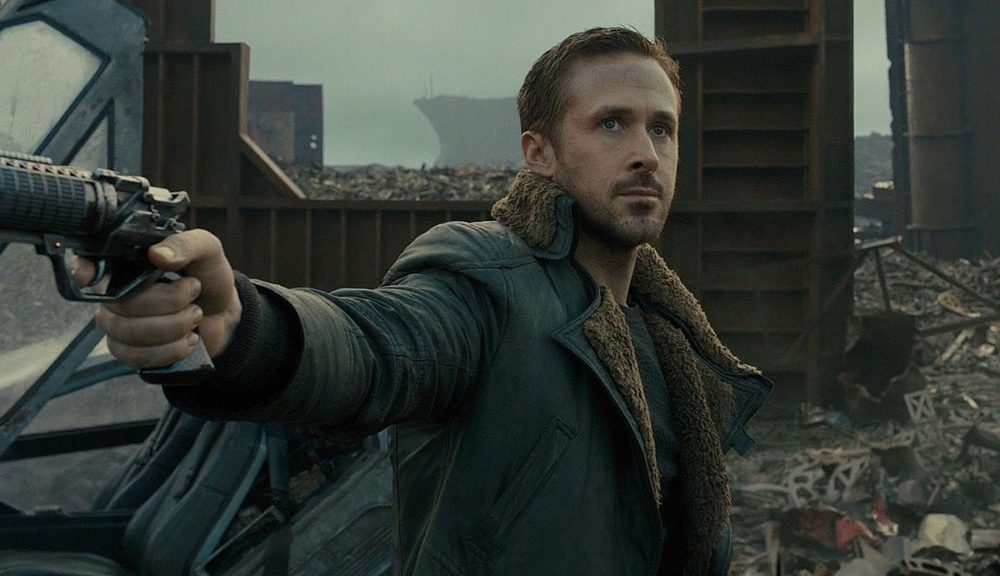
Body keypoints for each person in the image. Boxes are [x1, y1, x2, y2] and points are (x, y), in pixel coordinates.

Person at [79, 27, 771, 576]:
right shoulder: (487, 282)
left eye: (661, 128)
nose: (646, 152)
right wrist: (243, 326)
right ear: (539, 153)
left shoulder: (670, 339)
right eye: (612, 124)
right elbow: (376, 344)